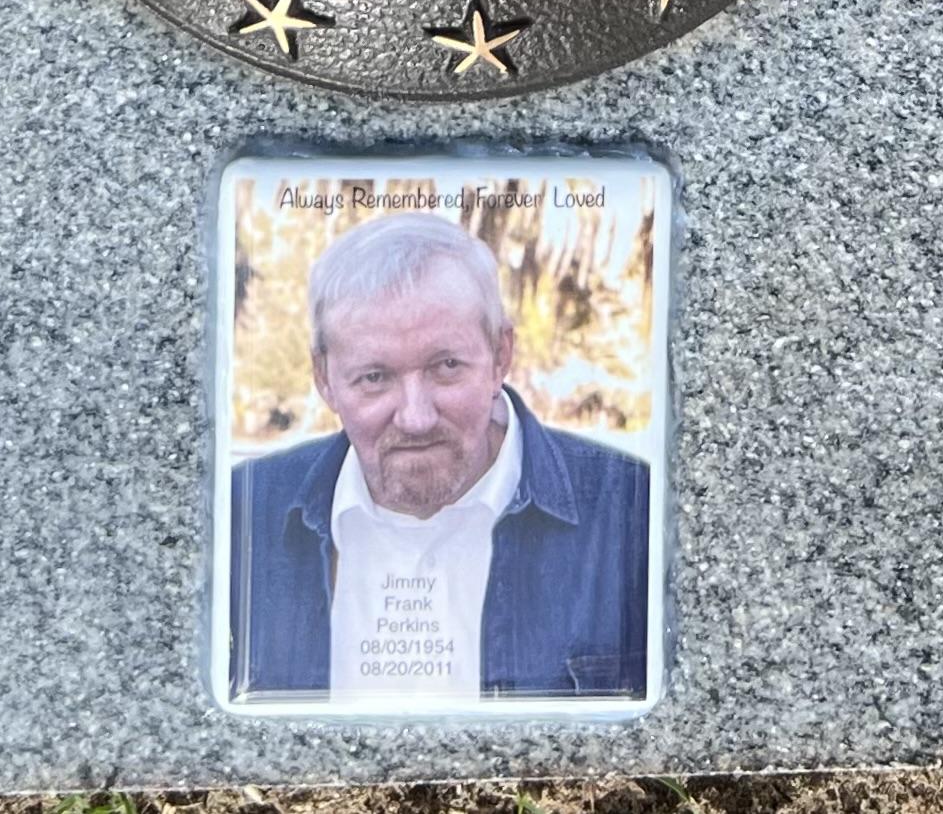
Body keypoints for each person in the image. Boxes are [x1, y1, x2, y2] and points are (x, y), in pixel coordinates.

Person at [227, 212, 652, 704]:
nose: (416, 418)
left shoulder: (633, 515)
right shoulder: (241, 517)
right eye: (374, 378)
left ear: (500, 355)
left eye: (446, 366)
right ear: (324, 379)